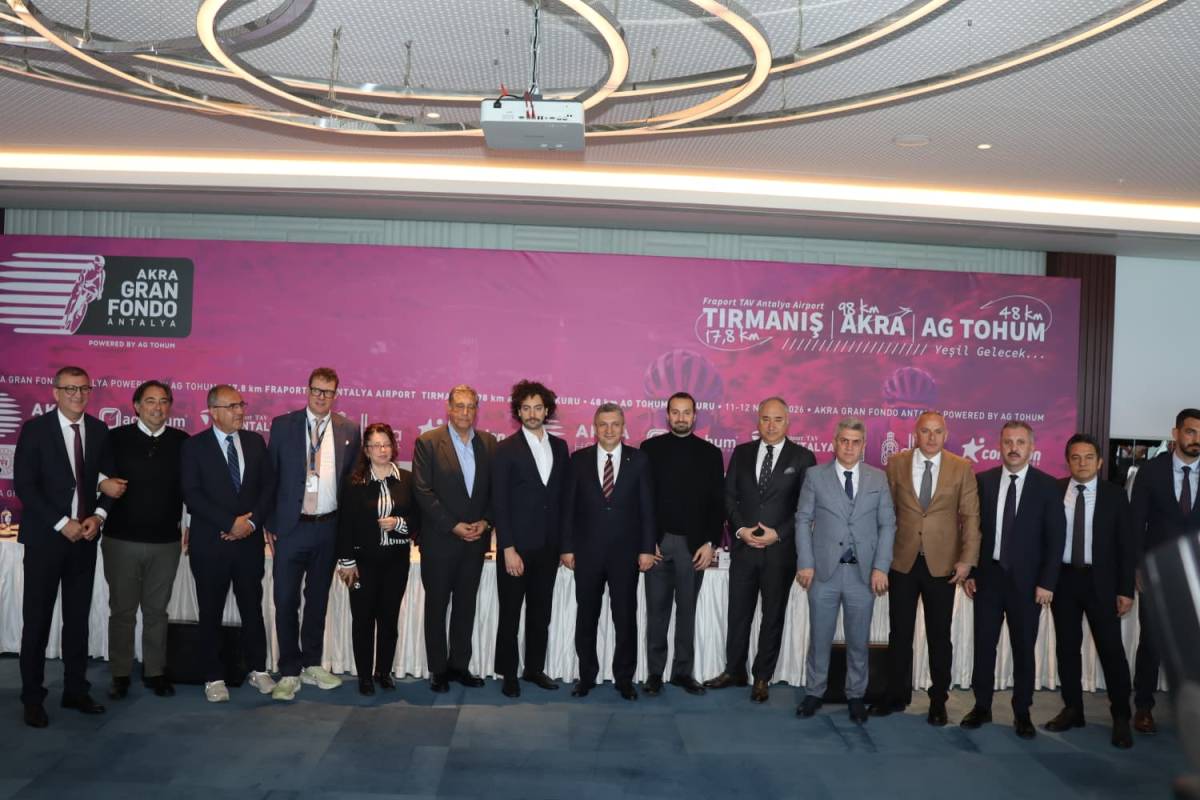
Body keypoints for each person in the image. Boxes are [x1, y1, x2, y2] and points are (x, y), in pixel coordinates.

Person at [13, 366, 115, 727]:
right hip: (45, 540)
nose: (77, 395)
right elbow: (25, 485)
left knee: (76, 621)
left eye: (83, 388)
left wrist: (98, 516)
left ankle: (75, 690)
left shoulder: (99, 430)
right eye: (70, 389)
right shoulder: (35, 430)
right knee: (37, 621)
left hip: (84, 541)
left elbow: (110, 483)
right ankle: (32, 697)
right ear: (55, 393)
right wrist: (61, 522)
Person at [872, 411, 980, 725]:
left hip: (943, 566)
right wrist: (881, 559)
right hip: (902, 561)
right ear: (915, 434)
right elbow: (885, 514)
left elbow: (971, 517)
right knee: (899, 633)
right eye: (925, 431)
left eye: (937, 432)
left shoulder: (961, 467)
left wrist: (967, 560)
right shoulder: (896, 463)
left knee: (939, 636)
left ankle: (938, 700)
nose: (931, 437)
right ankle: (896, 695)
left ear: (946, 435)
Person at [705, 397, 815, 703]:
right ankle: (734, 670)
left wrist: (776, 534)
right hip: (744, 549)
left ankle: (762, 676)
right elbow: (729, 497)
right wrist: (741, 530)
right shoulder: (742, 453)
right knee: (738, 613)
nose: (771, 425)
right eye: (766, 418)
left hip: (780, 552)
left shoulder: (803, 457)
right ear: (758, 421)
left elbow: (806, 508)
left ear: (787, 422)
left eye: (777, 419)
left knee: (772, 616)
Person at [961, 420, 1065, 738]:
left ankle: (1022, 711)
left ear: (1031, 447)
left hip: (1028, 585)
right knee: (984, 646)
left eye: (1020, 442)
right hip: (989, 579)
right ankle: (982, 706)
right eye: (1008, 442)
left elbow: (1056, 539)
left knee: (1023, 649)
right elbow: (973, 531)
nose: (1014, 448)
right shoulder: (983, 481)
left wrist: (1047, 582)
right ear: (999, 445)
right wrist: (972, 571)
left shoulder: (1048, 486)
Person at [265, 367, 360, 701]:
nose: (321, 397)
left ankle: (312, 663)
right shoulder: (283, 425)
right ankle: (289, 670)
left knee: (318, 600)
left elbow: (351, 484)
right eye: (317, 390)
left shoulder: (349, 429)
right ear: (307, 390)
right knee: (285, 600)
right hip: (291, 529)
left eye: (328, 392)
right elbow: (270, 477)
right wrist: (271, 524)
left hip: (328, 528)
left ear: (336, 395)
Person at [794, 418, 896, 723]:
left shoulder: (878, 478)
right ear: (835, 443)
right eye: (844, 441)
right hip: (823, 572)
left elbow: (887, 525)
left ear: (863, 446)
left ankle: (856, 696)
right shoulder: (815, 476)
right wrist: (805, 562)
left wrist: (881, 567)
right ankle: (814, 692)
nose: (849, 447)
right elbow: (802, 519)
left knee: (858, 640)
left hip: (863, 575)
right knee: (820, 637)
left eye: (855, 442)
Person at [180, 385, 276, 703]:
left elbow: (268, 487)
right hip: (210, 543)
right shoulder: (194, 447)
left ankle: (258, 668)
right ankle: (213, 676)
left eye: (241, 405)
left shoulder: (254, 441)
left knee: (252, 608)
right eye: (232, 406)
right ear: (213, 411)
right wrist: (229, 523)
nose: (240, 411)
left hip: (248, 543)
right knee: (210, 611)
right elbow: (192, 494)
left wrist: (250, 523)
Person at [99, 380, 190, 700]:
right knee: (122, 611)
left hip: (165, 542)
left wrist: (190, 525)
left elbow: (191, 489)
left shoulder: (182, 442)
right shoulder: (115, 438)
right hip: (121, 540)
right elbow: (96, 476)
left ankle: (155, 671)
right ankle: (120, 673)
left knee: (156, 611)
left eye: (163, 401)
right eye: (150, 401)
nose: (157, 407)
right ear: (136, 406)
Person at [561, 403, 656, 700]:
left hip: (626, 555)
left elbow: (647, 508)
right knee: (586, 618)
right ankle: (586, 676)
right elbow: (568, 508)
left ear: (623, 427)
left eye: (615, 424)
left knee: (625, 619)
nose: (609, 430)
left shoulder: (639, 460)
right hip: (587, 554)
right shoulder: (578, 460)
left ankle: (624, 679)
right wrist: (566, 547)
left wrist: (646, 548)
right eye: (603, 424)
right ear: (595, 428)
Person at [1046, 433, 1135, 748]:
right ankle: (1073, 710)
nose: (1081, 463)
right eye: (1075, 457)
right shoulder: (1054, 491)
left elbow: (1126, 545)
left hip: (1102, 583)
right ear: (1067, 461)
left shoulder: (1115, 495)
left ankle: (1121, 716)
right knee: (1067, 649)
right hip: (1064, 581)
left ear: (1099, 462)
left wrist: (1126, 590)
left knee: (1111, 651)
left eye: (1088, 457)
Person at [639, 391, 724, 696]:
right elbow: (642, 499)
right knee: (657, 612)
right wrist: (646, 541)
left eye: (686, 412)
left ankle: (682, 673)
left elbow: (717, 503)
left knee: (687, 612)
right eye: (675, 412)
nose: (681, 418)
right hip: (658, 546)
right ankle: (654, 674)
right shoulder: (649, 449)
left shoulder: (710, 454)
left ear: (695, 416)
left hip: (694, 547)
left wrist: (710, 542)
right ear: (667, 415)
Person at [413, 384, 496, 692]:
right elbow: (423, 491)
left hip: (475, 542)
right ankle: (438, 669)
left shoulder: (489, 443)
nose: (465, 412)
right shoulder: (428, 442)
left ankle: (460, 665)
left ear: (477, 410)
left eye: (470, 406)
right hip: (440, 541)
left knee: (465, 606)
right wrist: (453, 526)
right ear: (448, 408)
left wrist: (486, 522)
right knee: (436, 606)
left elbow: (495, 490)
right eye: (459, 406)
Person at [491, 380, 570, 698]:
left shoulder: (561, 448)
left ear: (547, 410)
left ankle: (534, 669)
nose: (533, 413)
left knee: (540, 613)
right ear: (518, 412)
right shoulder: (504, 450)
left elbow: (563, 501)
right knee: (510, 614)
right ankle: (509, 673)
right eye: (526, 408)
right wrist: (507, 548)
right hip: (517, 549)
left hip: (548, 548)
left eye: (538, 407)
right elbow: (500, 503)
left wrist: (564, 546)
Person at [335, 423, 420, 695]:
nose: (382, 450)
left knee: (388, 619)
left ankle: (383, 671)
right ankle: (364, 676)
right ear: (366, 450)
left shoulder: (407, 479)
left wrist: (399, 524)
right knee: (362, 620)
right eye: (375, 445)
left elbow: (419, 519)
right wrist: (346, 561)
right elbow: (344, 525)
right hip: (362, 563)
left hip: (396, 562)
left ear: (393, 446)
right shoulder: (354, 482)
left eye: (386, 444)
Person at [1130, 408, 1200, 734]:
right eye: (1191, 431)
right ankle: (1143, 707)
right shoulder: (1151, 471)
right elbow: (1135, 523)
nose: (1196, 439)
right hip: (1157, 572)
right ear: (1176, 433)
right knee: (1152, 642)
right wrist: (1137, 566)